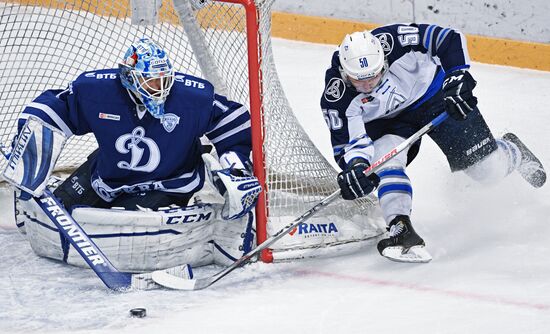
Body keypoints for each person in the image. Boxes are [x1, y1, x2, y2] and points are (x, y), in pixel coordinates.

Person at [5, 37, 261, 272]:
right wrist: (30, 138)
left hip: (167, 182)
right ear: (128, 77)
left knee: (122, 230)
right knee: (54, 211)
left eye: (163, 79)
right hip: (106, 175)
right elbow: (54, 107)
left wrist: (234, 164)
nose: (159, 88)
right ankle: (25, 199)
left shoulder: (190, 97)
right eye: (150, 80)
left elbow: (233, 119)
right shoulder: (96, 91)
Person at [320, 24, 546, 263]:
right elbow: (350, 145)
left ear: (384, 62)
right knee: (382, 160)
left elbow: (447, 39)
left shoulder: (394, 41)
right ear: (345, 73)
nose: (367, 86)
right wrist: (356, 168)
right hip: (389, 123)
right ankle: (400, 229)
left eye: (374, 76)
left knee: (487, 172)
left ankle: (513, 150)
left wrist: (457, 75)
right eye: (358, 80)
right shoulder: (337, 96)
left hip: (434, 95)